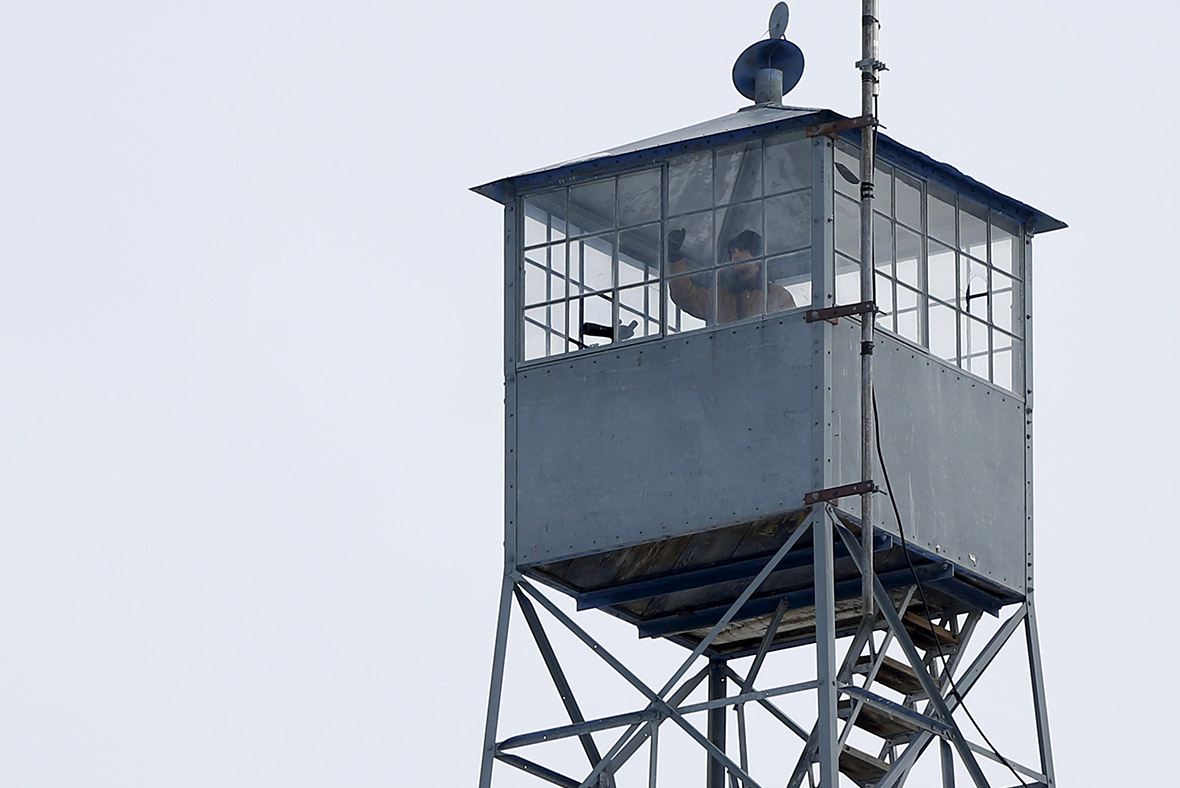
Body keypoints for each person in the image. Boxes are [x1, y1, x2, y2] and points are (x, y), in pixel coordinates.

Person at [667, 228, 796, 323]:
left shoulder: (778, 294)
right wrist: (674, 258)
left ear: (757, 255)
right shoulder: (719, 297)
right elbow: (686, 296)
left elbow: (790, 329)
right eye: (733, 252)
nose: (736, 256)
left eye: (743, 250)